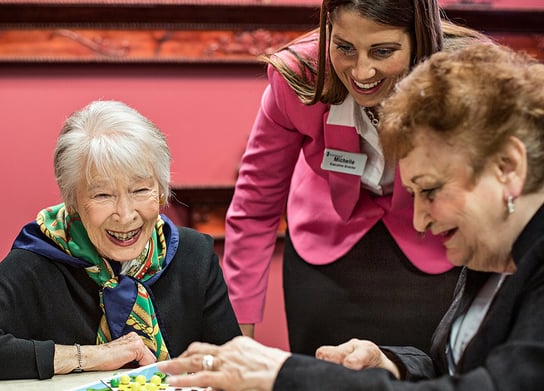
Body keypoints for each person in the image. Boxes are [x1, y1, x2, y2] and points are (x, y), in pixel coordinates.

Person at [159, 42, 544, 390]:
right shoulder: (492, 251)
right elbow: (456, 370)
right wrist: (392, 363)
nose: (420, 222)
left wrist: (289, 374)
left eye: (430, 191)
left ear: (509, 166)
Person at [223, 0, 488, 354]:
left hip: (434, 245)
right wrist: (236, 334)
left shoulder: (468, 76)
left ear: (419, 39)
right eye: (344, 47)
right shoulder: (299, 76)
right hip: (327, 246)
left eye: (382, 51)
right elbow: (255, 207)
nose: (362, 72)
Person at [0, 100, 241, 380]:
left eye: (140, 190)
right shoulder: (40, 258)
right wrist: (91, 357)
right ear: (73, 201)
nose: (125, 214)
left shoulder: (192, 254)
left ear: (161, 191)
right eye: (102, 194)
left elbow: (233, 367)